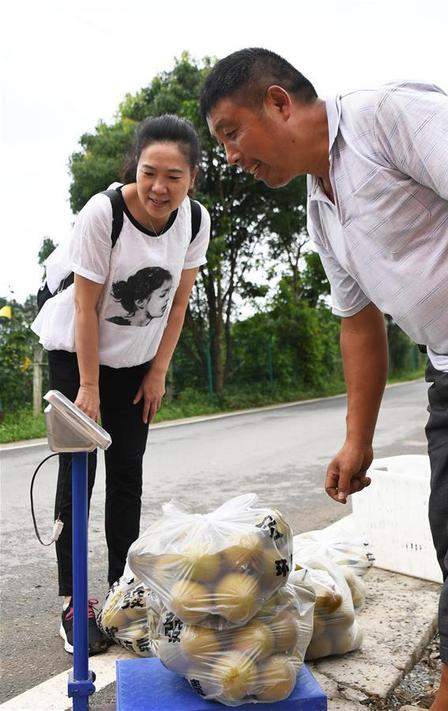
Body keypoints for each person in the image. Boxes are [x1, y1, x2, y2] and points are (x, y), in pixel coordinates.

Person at [199, 49, 448, 710]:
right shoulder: (322, 207)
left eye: (232, 132)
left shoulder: (385, 117)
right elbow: (360, 325)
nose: (231, 156)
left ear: (279, 102)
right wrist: (358, 440)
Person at [31, 114, 211, 655]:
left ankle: (120, 594)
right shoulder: (104, 213)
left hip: (136, 364)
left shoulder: (195, 222)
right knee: (78, 476)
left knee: (127, 476)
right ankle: (72, 601)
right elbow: (85, 305)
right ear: (136, 166)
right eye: (150, 171)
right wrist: (87, 386)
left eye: (173, 177)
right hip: (74, 356)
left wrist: (157, 371)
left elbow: (179, 302)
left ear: (192, 179)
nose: (159, 187)